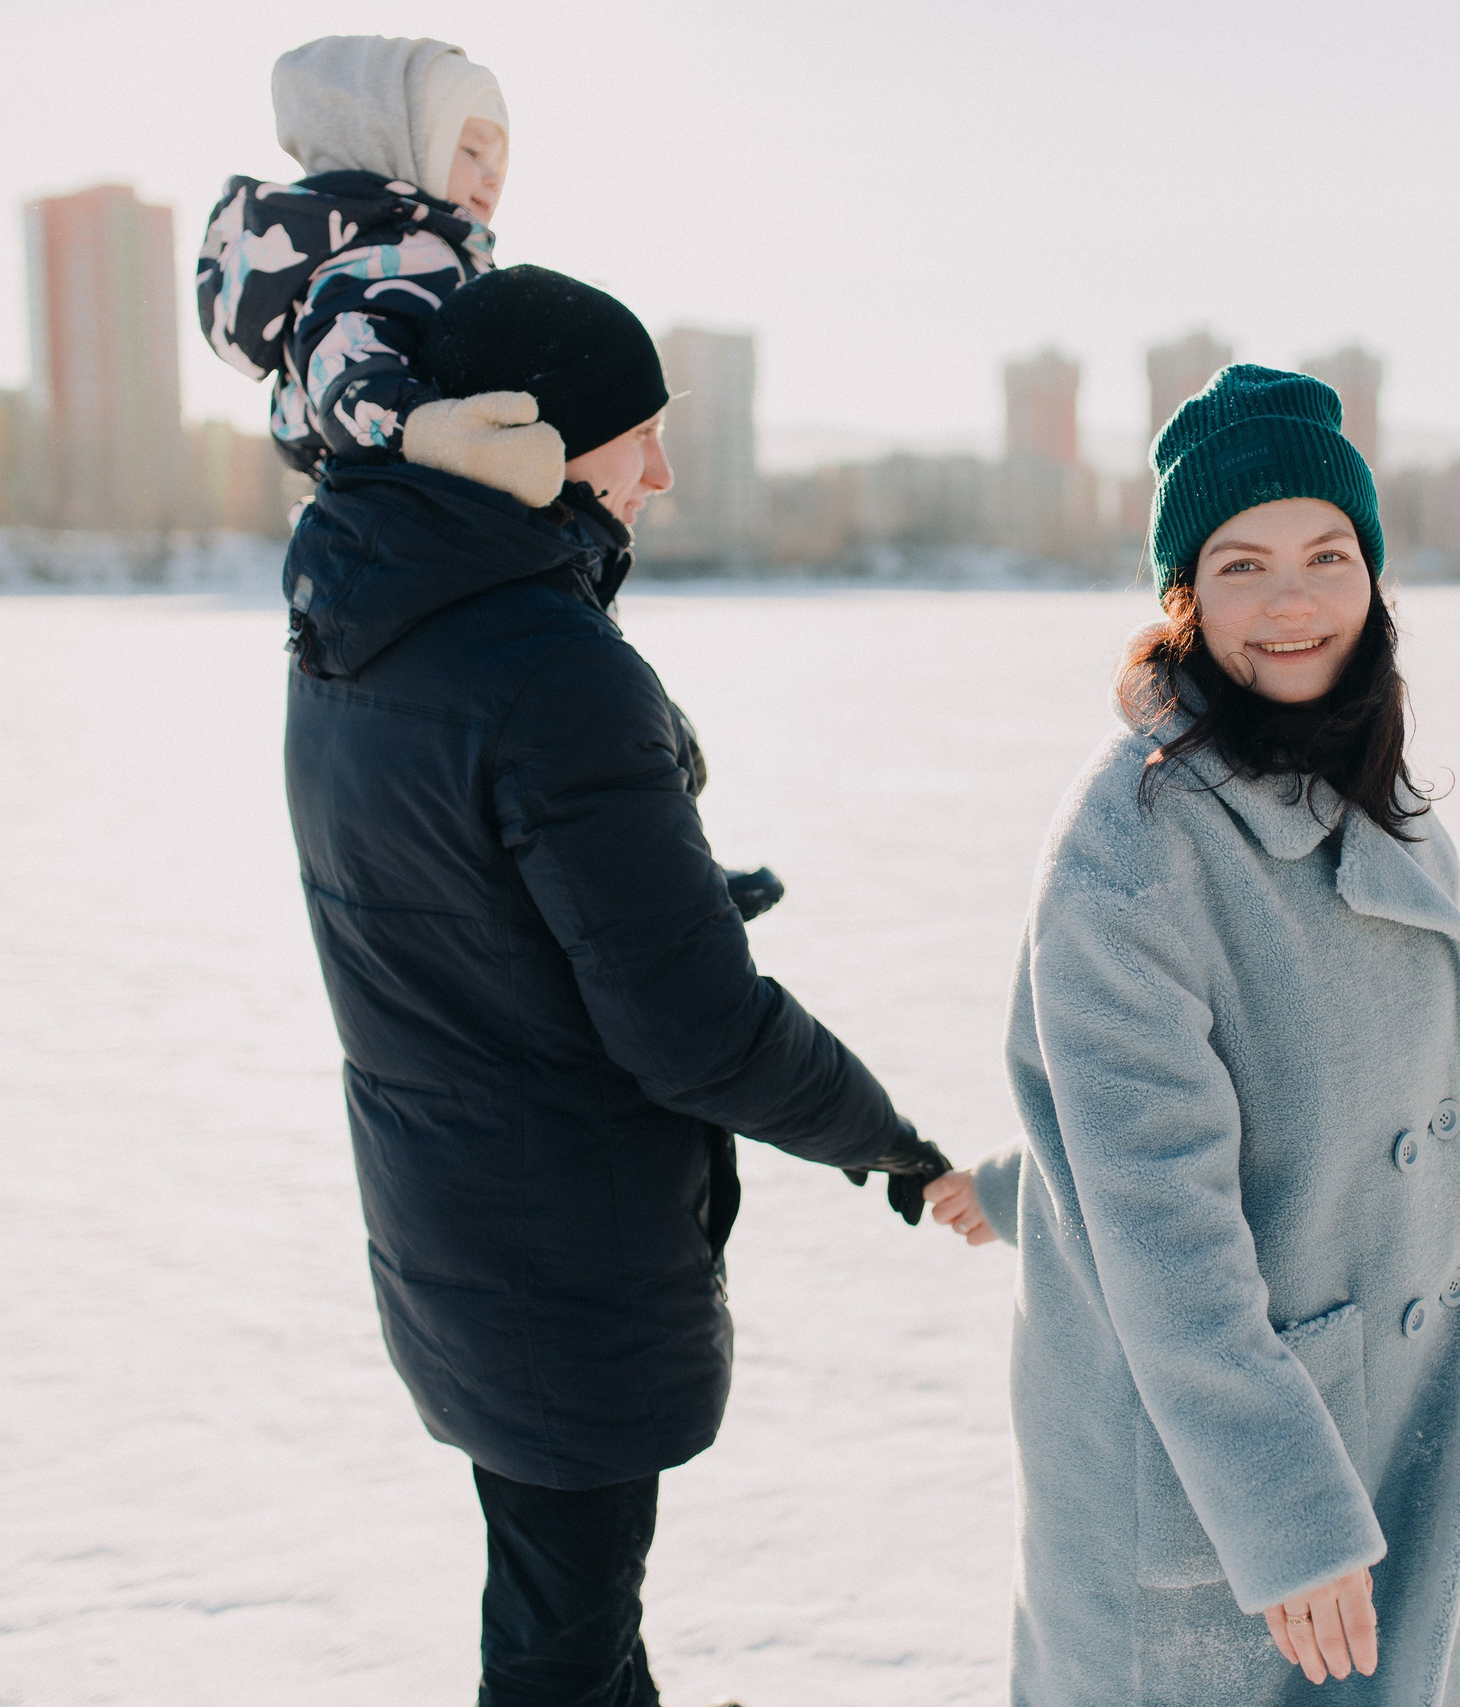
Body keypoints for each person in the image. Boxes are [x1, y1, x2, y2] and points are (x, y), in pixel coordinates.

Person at [280, 262, 952, 1706]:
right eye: (635, 431)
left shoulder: (363, 607)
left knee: (559, 1598)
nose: (662, 469)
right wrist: (884, 1138)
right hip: (559, 1249)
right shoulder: (551, 664)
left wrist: (680, 894)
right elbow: (701, 1035)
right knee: (560, 1649)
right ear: (530, 439)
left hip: (455, 1212)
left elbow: (460, 890)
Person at [925, 365, 1460, 1702]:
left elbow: (1223, 1102)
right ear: (1186, 597)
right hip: (1229, 1466)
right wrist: (1287, 1515)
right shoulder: (1134, 844)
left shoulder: (1375, 798)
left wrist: (1023, 1177)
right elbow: (1162, 1212)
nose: (1294, 602)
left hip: (1377, 1405)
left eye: (1327, 555)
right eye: (1243, 565)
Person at [196, 35, 569, 505]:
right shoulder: (381, 257)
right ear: (398, 143)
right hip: (393, 516)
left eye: (499, 161)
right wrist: (432, 433)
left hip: (406, 511)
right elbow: (348, 370)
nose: (493, 176)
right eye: (472, 152)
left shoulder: (433, 251)